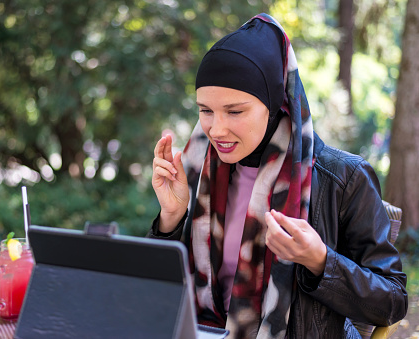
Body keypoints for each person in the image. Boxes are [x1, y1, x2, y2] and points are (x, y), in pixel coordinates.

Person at [147, 13, 408, 339]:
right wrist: (170, 220)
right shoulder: (198, 171)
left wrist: (320, 261)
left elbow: (393, 302)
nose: (216, 128)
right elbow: (153, 296)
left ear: (275, 104)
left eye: (235, 111)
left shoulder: (343, 177)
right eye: (205, 110)